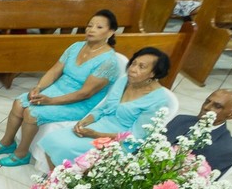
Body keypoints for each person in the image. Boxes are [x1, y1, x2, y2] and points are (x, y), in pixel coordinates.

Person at [0, 11, 121, 166]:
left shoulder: (108, 61)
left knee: (31, 112)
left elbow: (85, 93)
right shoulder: (76, 46)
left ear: (110, 32)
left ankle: (22, 153)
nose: (91, 30)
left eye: (98, 27)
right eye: (89, 26)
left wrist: (51, 101)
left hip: (80, 102)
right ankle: (7, 142)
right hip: (58, 89)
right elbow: (55, 70)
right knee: (19, 103)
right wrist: (38, 88)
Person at [40, 48, 174, 166]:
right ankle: (56, 184)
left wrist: (96, 135)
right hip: (100, 126)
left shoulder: (158, 100)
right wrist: (85, 122)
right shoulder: (124, 80)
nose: (133, 69)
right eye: (134, 63)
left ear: (153, 74)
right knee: (53, 139)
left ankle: (63, 186)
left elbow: (137, 137)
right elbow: (103, 108)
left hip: (120, 141)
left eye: (141, 67)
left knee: (65, 147)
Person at [165, 91, 232, 176]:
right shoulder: (181, 120)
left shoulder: (227, 150)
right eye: (207, 102)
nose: (206, 107)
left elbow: (204, 182)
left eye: (217, 106)